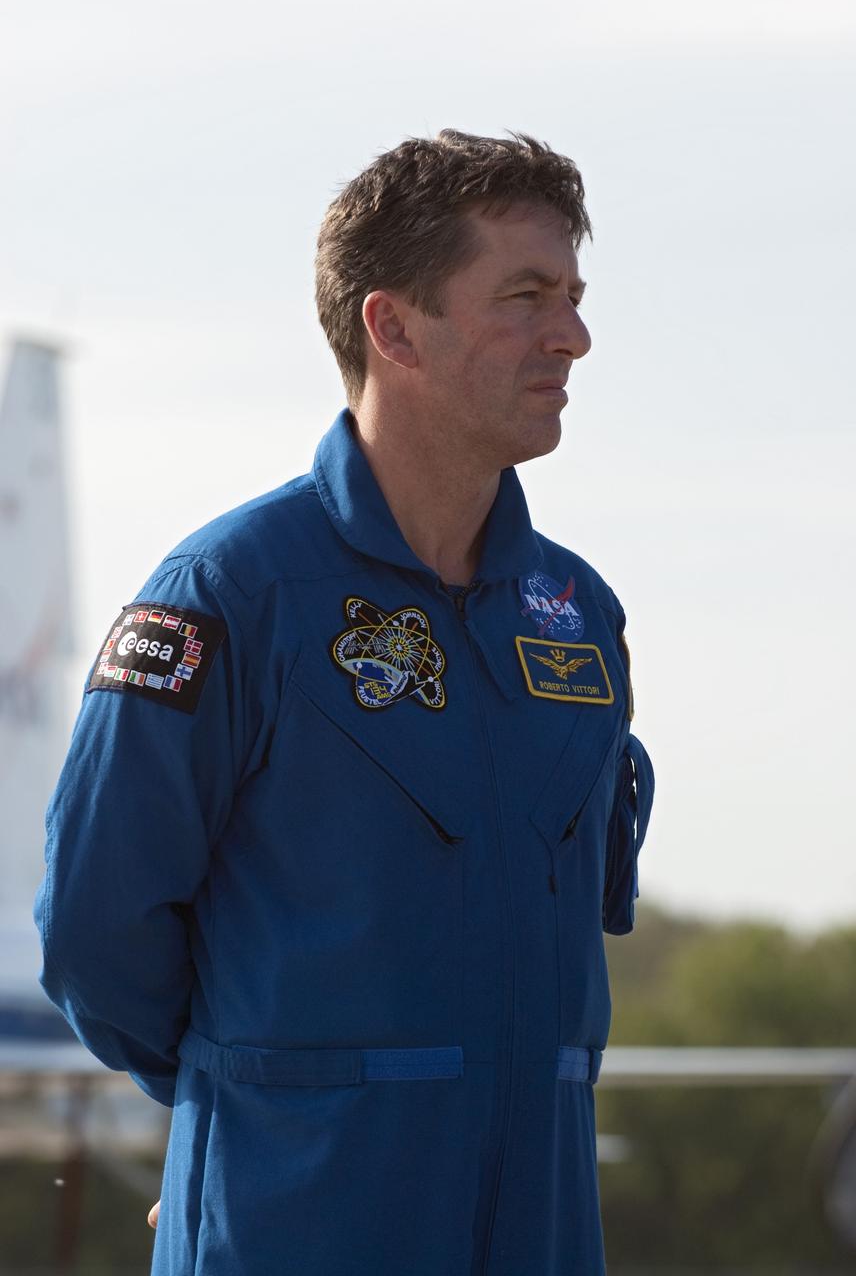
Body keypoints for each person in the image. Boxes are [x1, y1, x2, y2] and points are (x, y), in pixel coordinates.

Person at [35, 129, 654, 1275]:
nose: (570, 334)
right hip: (298, 1227)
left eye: (570, 296)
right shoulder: (227, 598)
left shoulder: (573, 613)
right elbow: (94, 931)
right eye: (524, 296)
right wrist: (252, 1117)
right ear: (393, 325)